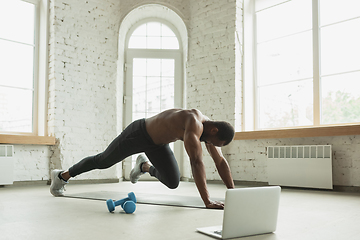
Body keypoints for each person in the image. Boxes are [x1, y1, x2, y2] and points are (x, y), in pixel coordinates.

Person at [50, 108, 235, 209]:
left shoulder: (207, 131)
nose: (211, 145)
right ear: (214, 130)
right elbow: (196, 162)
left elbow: (220, 162)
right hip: (138, 134)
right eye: (215, 142)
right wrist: (207, 201)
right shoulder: (194, 122)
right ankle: (62, 176)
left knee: (172, 181)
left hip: (158, 144)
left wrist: (233, 193)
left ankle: (143, 166)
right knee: (103, 161)